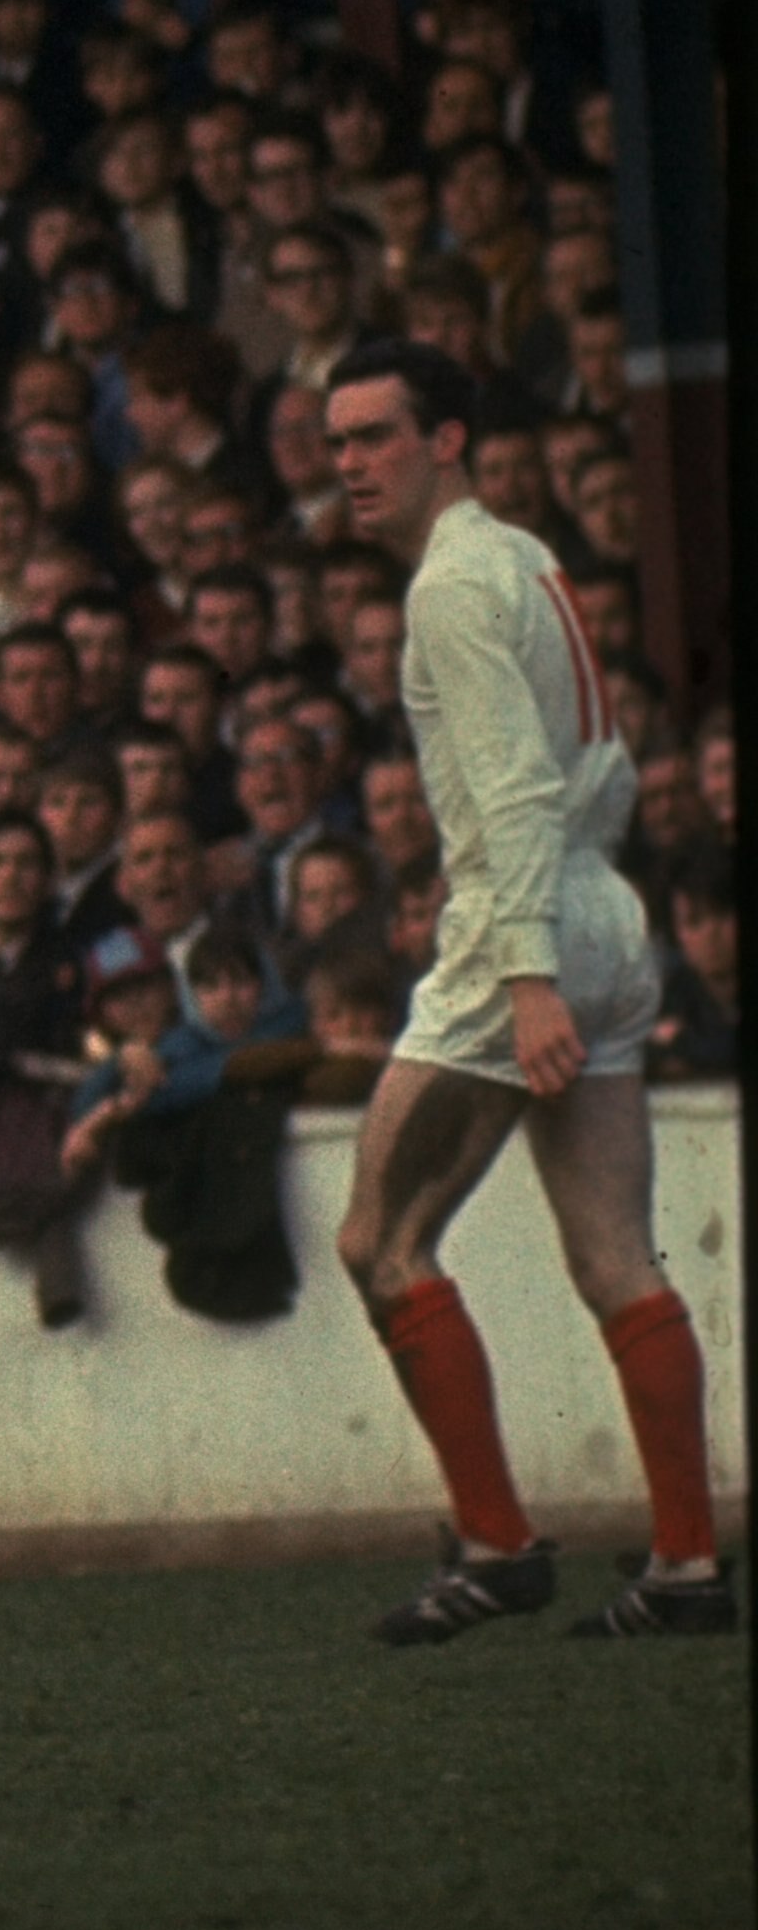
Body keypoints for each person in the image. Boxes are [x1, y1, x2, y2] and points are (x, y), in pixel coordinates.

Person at [319, 340, 729, 1644]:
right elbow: (587, 763)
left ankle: (497, 1545)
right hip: (602, 909)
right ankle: (687, 1567)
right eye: (337, 443)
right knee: (614, 1255)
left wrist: (529, 975)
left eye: (376, 435)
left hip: (525, 927)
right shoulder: (524, 557)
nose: (351, 464)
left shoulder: (450, 586)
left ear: (448, 439)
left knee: (377, 1243)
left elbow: (513, 788)